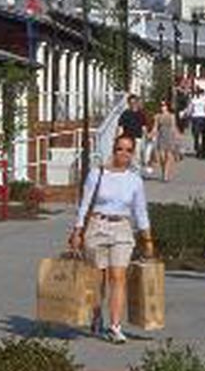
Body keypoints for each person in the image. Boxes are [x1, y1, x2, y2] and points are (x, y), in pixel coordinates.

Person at [68, 134, 153, 344]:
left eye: (128, 150)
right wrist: (77, 232)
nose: (123, 154)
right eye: (119, 149)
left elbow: (140, 211)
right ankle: (97, 315)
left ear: (133, 154)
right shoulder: (97, 174)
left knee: (118, 276)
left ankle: (115, 326)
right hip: (97, 227)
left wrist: (147, 239)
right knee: (99, 279)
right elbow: (85, 204)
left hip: (122, 229)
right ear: (113, 150)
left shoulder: (134, 180)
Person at [152, 100, 179, 181]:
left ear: (167, 106)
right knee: (161, 157)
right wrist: (152, 134)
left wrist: (177, 137)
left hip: (170, 136)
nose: (162, 107)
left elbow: (174, 127)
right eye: (161, 105)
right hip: (161, 136)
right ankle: (163, 170)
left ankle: (166, 175)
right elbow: (155, 127)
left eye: (164, 105)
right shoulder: (157, 116)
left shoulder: (172, 116)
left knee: (168, 156)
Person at [187, 88, 205, 158]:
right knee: (203, 135)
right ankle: (204, 151)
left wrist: (188, 115)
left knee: (195, 134)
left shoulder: (193, 100)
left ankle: (197, 148)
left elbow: (190, 109)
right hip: (203, 117)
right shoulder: (204, 100)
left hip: (195, 117)